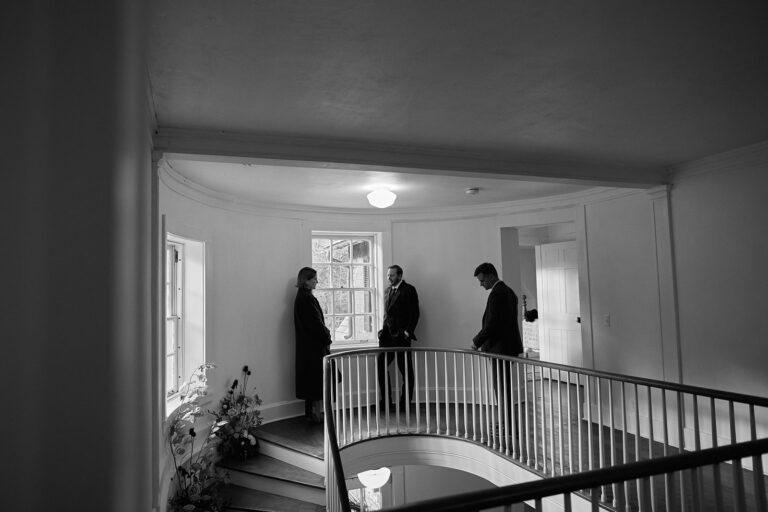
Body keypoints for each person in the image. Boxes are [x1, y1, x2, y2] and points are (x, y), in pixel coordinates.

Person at [472, 262, 524, 444]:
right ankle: (507, 424)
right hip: (507, 348)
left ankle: (509, 427)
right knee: (504, 389)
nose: (481, 284)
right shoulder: (509, 291)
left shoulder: (497, 294)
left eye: (482, 280)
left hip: (499, 350)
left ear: (491, 275)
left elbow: (492, 324)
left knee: (501, 390)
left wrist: (476, 342)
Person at [377, 264, 420, 408]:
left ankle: (405, 403)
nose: (389, 278)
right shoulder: (387, 290)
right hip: (387, 338)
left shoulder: (409, 290)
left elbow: (415, 313)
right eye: (388, 275)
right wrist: (382, 332)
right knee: (380, 365)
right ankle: (386, 401)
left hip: (402, 337)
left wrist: (407, 333)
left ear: (400, 275)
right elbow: (387, 314)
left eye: (392, 275)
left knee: (405, 370)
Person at [294, 267, 332, 424]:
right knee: (316, 381)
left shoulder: (302, 297)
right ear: (306, 281)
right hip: (313, 347)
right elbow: (315, 324)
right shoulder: (306, 299)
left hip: (307, 346)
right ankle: (317, 415)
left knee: (311, 381)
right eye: (314, 279)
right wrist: (327, 336)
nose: (317, 281)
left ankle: (311, 414)